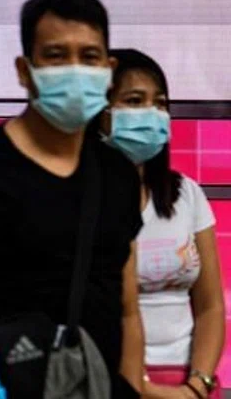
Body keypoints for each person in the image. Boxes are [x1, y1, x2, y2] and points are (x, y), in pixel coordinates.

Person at [0, 0, 145, 398]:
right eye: (56, 56)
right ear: (25, 70)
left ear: (109, 69)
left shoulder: (118, 175)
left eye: (89, 57)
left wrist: (129, 388)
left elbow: (127, 308)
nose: (75, 70)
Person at [102, 49, 224, 399]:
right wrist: (140, 387)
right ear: (101, 113)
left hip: (187, 382)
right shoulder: (78, 200)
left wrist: (196, 386)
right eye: (134, 101)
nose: (152, 114)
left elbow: (211, 306)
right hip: (109, 380)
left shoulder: (187, 193)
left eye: (160, 103)